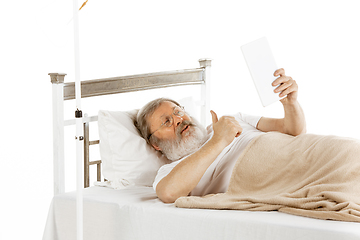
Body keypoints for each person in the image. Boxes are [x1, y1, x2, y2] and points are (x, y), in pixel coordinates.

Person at [136, 68, 306, 203]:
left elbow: (292, 131)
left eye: (178, 111)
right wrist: (218, 141)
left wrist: (290, 103)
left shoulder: (233, 119)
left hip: (303, 154)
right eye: (167, 121)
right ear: (156, 144)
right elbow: (168, 193)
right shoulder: (170, 172)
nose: (178, 119)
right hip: (288, 179)